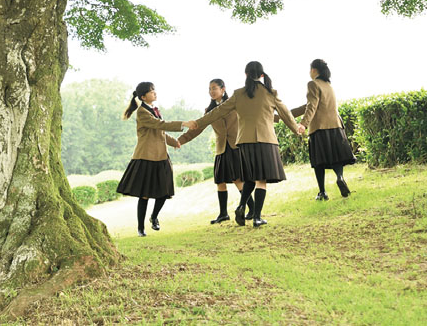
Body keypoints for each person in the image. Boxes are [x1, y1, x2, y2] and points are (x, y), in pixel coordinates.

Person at [187, 61, 301, 227]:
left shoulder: (238, 94)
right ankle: (256, 217)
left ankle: (241, 206)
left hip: (244, 142)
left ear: (246, 74)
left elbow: (217, 111)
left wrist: (197, 122)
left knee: (249, 178)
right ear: (261, 75)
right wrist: (296, 128)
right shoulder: (270, 92)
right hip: (265, 140)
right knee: (261, 180)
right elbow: (285, 113)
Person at [117, 82, 197, 237]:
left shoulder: (155, 110)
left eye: (154, 91)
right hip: (146, 157)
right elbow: (159, 124)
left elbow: (160, 131)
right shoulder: (142, 112)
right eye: (151, 91)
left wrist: (175, 142)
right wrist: (183, 124)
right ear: (142, 96)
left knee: (165, 192)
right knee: (144, 194)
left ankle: (154, 217)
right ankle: (140, 228)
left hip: (161, 156)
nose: (155, 93)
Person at [177, 78, 254, 224]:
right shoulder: (209, 111)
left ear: (223, 89)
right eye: (209, 89)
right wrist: (181, 140)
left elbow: (250, 116)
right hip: (221, 148)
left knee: (238, 179)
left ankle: (251, 208)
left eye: (214, 88)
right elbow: (198, 128)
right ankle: (223, 214)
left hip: (235, 146)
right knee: (220, 181)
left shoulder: (234, 103)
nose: (211, 91)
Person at [297, 59, 356, 199]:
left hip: (319, 128)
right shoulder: (328, 85)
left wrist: (303, 124)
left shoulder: (312, 84)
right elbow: (309, 105)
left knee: (318, 161)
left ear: (313, 70)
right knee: (336, 157)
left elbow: (311, 106)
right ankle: (340, 177)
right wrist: (285, 114)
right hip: (335, 126)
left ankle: (322, 192)